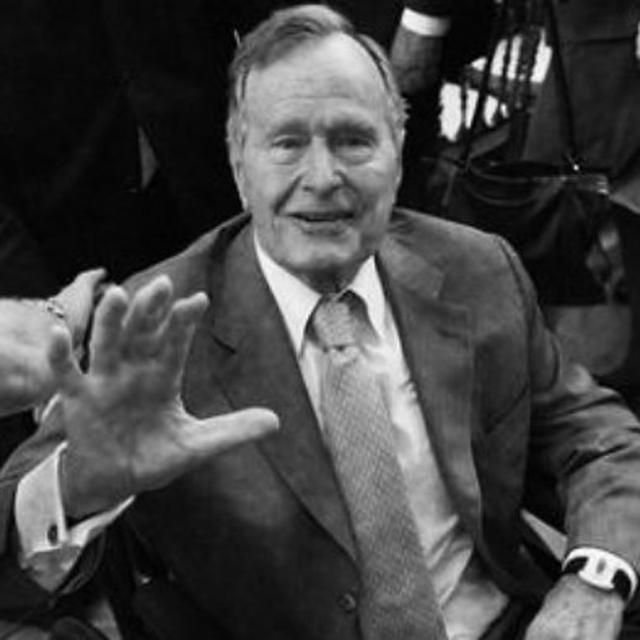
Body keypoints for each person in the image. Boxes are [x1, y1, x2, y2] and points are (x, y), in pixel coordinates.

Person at [2, 5, 640, 639]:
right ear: (238, 166)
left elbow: (601, 437)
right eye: (286, 144)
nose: (323, 178)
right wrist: (74, 489)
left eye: (353, 140)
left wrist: (594, 579)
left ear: (398, 156)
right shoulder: (155, 328)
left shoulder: (476, 268)